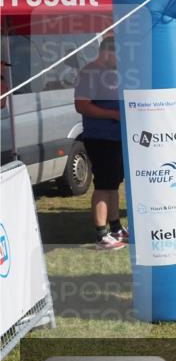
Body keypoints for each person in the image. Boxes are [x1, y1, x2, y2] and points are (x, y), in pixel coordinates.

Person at [73, 37, 127, 250]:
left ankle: (115, 228)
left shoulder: (112, 74)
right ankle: (101, 234)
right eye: (117, 55)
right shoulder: (89, 73)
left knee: (113, 183)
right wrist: (113, 114)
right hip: (100, 137)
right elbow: (82, 106)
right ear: (106, 52)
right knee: (103, 184)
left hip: (115, 138)